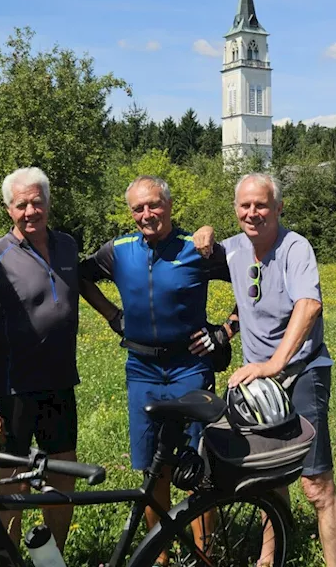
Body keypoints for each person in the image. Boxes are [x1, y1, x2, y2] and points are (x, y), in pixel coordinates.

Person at [193, 172, 336, 567]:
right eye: (244, 205)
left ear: (278, 208)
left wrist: (274, 364)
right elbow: (200, 252)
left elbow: (309, 306)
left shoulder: (295, 248)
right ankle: (269, 558)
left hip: (300, 371)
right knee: (268, 475)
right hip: (258, 379)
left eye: (261, 205)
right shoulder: (233, 250)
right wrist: (204, 232)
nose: (252, 212)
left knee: (316, 486)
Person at [77, 175, 232, 543]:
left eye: (154, 205)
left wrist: (225, 330)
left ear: (169, 205)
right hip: (142, 369)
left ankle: (204, 553)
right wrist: (113, 317)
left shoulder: (196, 248)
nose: (147, 214)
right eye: (138, 208)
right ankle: (158, 554)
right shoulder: (119, 249)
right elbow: (81, 277)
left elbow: (252, 278)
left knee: (199, 467)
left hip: (190, 367)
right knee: (152, 469)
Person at [0, 167, 82, 549]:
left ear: (48, 203)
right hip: (13, 390)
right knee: (13, 481)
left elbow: (86, 282)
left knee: (63, 476)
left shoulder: (68, 246)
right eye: (21, 205)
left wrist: (114, 315)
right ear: (8, 209)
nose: (30, 211)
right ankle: (9, 558)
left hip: (60, 384)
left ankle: (54, 557)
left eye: (37, 202)